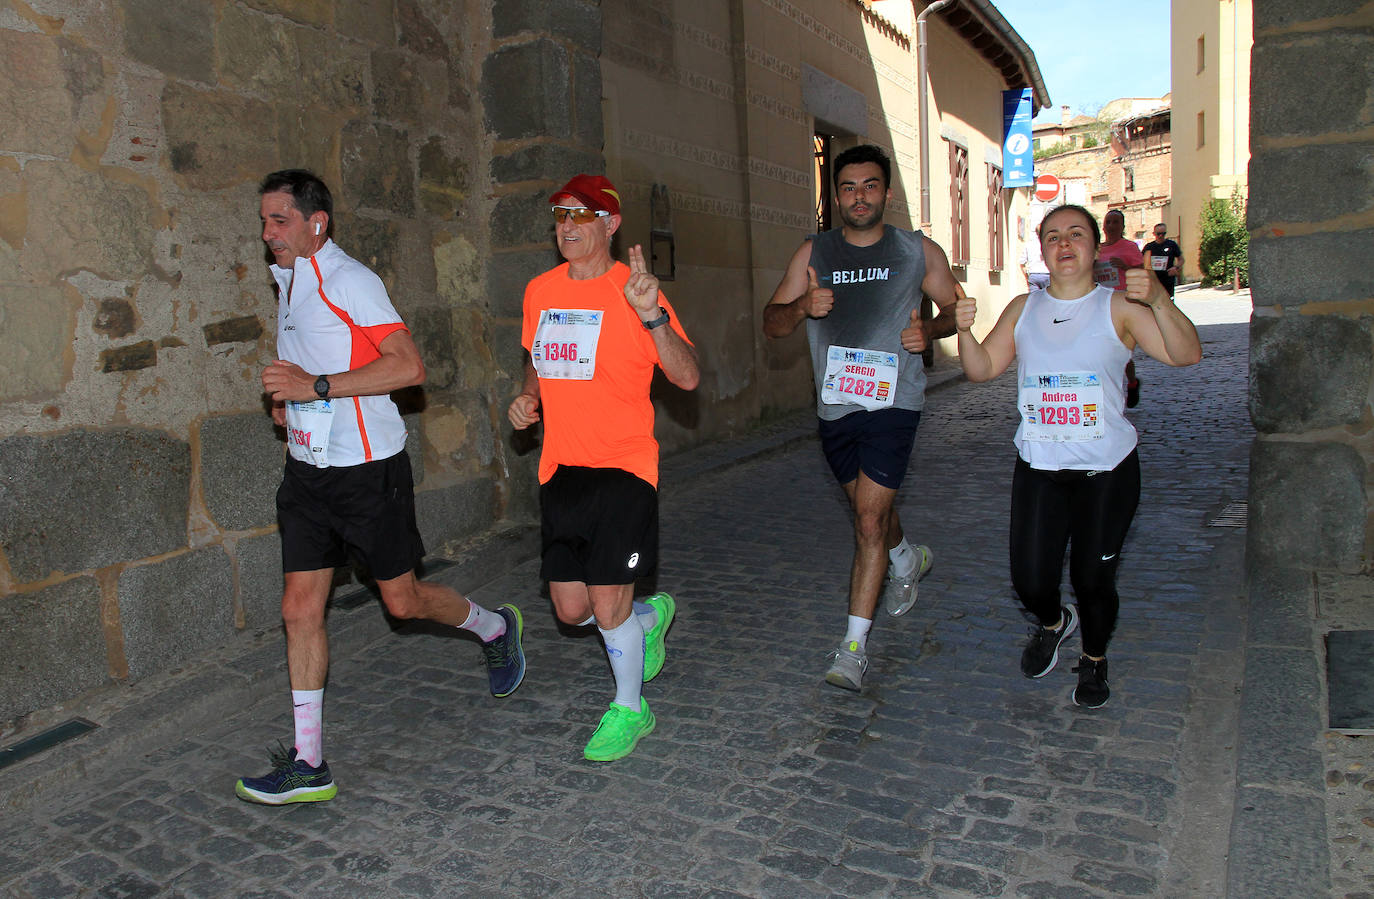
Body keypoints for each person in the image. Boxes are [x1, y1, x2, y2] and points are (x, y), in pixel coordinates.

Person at [236, 170, 526, 805]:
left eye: (279, 221)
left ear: (318, 223)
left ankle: (495, 628)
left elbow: (407, 367)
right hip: (309, 473)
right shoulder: (288, 280)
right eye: (263, 222)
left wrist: (313, 387)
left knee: (403, 602)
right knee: (298, 608)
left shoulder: (351, 282)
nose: (268, 234)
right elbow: (312, 366)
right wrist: (293, 407)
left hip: (370, 474)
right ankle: (309, 762)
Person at [953, 204, 1201, 708]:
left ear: (1095, 246)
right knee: (1030, 581)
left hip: (1106, 470)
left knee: (1092, 577)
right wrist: (962, 331)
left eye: (1076, 235)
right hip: (1040, 468)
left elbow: (1186, 353)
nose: (1064, 245)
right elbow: (982, 369)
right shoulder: (1024, 308)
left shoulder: (1119, 309)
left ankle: (1092, 657)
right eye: (1053, 237)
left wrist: (1159, 300)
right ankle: (1052, 622)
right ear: (1041, 248)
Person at [508, 174, 699, 762]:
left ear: (610, 225)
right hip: (561, 466)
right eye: (560, 215)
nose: (566, 225)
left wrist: (652, 317)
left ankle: (629, 708)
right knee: (572, 609)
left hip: (624, 466)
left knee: (606, 602)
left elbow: (687, 376)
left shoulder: (636, 290)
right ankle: (648, 619)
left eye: (580, 215)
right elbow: (538, 361)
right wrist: (527, 400)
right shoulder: (539, 290)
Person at [763, 144, 959, 692]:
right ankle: (905, 558)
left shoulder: (917, 251)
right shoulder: (812, 252)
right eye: (847, 188)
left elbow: (954, 310)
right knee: (872, 513)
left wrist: (931, 332)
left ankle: (852, 648)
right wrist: (803, 307)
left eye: (869, 186)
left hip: (895, 404)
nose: (858, 196)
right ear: (836, 196)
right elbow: (771, 323)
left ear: (886, 193)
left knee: (867, 520)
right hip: (836, 408)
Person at [1094, 209, 1145, 408]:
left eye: (1116, 222)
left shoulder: (1129, 247)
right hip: (1100, 303)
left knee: (1122, 350)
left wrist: (1125, 266)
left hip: (1123, 303)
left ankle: (1131, 383)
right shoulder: (1097, 249)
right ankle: (1107, 390)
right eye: (1109, 222)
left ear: (1123, 226)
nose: (1112, 225)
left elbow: (1142, 272)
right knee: (1103, 348)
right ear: (1104, 226)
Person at [1142, 222, 1184, 296]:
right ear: (1154, 234)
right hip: (1153, 280)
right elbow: (1141, 261)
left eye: (1163, 234)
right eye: (1158, 234)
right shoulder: (1149, 247)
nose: (1161, 236)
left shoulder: (1171, 245)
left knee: (1168, 301)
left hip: (1168, 279)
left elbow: (1181, 259)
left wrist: (1176, 267)